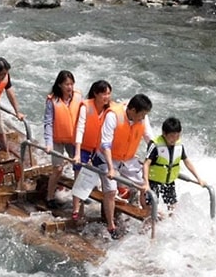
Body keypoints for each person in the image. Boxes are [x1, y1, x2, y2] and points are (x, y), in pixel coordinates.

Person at [71, 93, 152, 239]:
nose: (143, 118)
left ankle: (147, 218)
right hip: (105, 157)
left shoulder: (143, 117)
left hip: (127, 159)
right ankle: (111, 225)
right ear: (132, 110)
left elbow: (149, 138)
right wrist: (110, 168)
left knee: (145, 186)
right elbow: (105, 144)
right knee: (110, 190)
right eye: (141, 115)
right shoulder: (113, 116)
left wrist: (156, 153)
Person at [68, 80, 113, 224]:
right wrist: (77, 152)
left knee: (101, 178)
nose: (107, 97)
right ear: (96, 94)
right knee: (79, 176)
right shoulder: (86, 107)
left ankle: (105, 212)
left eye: (109, 93)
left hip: (99, 150)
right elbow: (80, 129)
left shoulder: (109, 110)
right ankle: (76, 210)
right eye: (104, 94)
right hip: (85, 148)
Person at [143, 116, 206, 213]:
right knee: (152, 210)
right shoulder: (155, 145)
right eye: (172, 136)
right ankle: (148, 227)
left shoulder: (179, 146)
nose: (175, 139)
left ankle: (168, 225)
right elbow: (146, 164)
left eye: (178, 136)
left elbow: (187, 162)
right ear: (164, 133)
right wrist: (146, 183)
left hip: (169, 182)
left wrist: (199, 178)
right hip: (153, 181)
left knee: (173, 208)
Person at [43, 70, 81, 209]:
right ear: (60, 85)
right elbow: (48, 123)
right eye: (66, 84)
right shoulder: (52, 101)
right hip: (57, 139)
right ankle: (50, 196)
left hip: (73, 139)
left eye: (71, 84)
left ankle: (78, 197)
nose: (70, 87)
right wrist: (48, 144)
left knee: (79, 166)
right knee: (58, 169)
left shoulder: (78, 97)